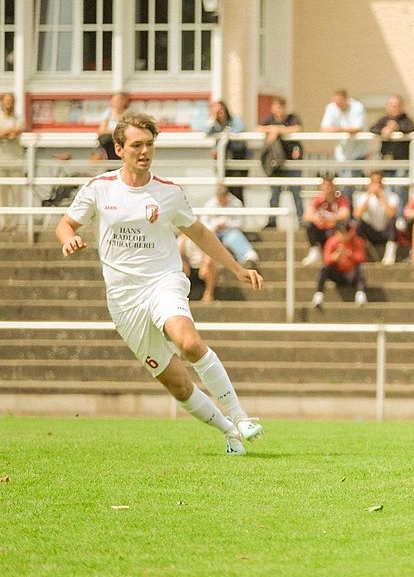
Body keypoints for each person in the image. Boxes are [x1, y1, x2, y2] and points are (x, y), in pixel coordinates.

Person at [56, 111, 264, 455]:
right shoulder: (98, 188)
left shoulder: (168, 192)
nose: (144, 151)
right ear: (119, 149)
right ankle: (229, 431)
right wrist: (69, 239)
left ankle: (241, 417)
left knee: (188, 342)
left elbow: (199, 232)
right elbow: (65, 225)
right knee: (178, 383)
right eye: (136, 145)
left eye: (150, 144)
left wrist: (236, 267)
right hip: (124, 300)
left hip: (163, 282)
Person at [258, 97, 304, 228]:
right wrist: (273, 129)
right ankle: (272, 221)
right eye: (276, 106)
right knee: (274, 192)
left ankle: (301, 220)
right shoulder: (269, 119)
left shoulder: (292, 118)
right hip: (276, 163)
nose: (278, 109)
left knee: (296, 191)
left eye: (281, 106)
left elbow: (297, 128)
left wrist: (278, 131)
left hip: (292, 162)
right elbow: (259, 128)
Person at [369, 94, 414, 210]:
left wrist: (397, 128)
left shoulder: (406, 120)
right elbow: (372, 129)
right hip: (386, 163)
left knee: (399, 189)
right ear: (387, 106)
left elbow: (412, 129)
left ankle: (399, 216)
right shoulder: (384, 120)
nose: (395, 108)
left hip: (401, 163)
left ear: (402, 106)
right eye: (392, 105)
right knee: (387, 189)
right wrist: (383, 130)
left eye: (397, 105)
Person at [321, 88, 368, 204]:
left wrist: (337, 130)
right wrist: (344, 130)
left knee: (350, 186)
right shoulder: (331, 108)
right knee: (344, 185)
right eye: (336, 102)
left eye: (340, 102)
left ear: (347, 99)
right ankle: (346, 210)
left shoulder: (357, 107)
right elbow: (324, 129)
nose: (338, 105)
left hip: (358, 153)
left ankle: (349, 211)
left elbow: (357, 128)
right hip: (342, 154)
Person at [201, 184, 260, 268]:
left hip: (230, 231)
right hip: (213, 231)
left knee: (234, 236)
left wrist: (227, 225)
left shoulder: (236, 203)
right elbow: (203, 221)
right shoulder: (210, 204)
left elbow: (240, 223)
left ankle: (249, 257)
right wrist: (214, 226)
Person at [313, 220, 367, 308]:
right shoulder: (332, 241)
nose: (343, 236)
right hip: (338, 274)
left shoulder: (357, 241)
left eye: (345, 233)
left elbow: (361, 258)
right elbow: (326, 259)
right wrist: (335, 256)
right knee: (324, 268)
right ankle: (319, 294)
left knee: (360, 267)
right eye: (341, 233)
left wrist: (349, 254)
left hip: (351, 275)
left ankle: (360, 293)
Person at [301, 174, 351, 267]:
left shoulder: (341, 200)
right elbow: (306, 216)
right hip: (321, 231)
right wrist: (316, 218)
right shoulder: (317, 200)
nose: (328, 189)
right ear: (321, 188)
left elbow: (345, 214)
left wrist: (330, 219)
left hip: (335, 231)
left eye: (330, 186)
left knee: (343, 225)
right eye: (326, 186)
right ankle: (315, 250)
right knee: (309, 224)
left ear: (334, 187)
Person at [354, 170, 400, 265]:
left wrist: (382, 197)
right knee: (359, 224)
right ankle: (360, 253)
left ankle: (390, 254)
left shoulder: (392, 196)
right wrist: (369, 195)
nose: (376, 185)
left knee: (392, 220)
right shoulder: (364, 197)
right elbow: (357, 215)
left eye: (378, 182)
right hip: (371, 232)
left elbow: (391, 214)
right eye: (374, 182)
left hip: (385, 232)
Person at [206, 101, 249, 202]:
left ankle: (239, 211)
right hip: (222, 162)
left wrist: (225, 133)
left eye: (221, 110)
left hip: (238, 160)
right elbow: (206, 132)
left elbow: (239, 130)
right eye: (217, 111)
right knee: (223, 191)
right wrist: (213, 119)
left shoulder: (235, 121)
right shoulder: (215, 125)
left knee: (237, 190)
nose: (220, 113)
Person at [0, 92, 24, 232]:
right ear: (2, 102)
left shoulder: (19, 118)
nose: (8, 103)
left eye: (11, 101)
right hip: (1, 162)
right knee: (2, 194)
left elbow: (17, 131)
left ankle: (14, 224)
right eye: (6, 101)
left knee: (16, 194)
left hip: (16, 161)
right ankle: (4, 222)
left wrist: (6, 132)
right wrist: (9, 131)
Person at [94, 92, 127, 160]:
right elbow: (102, 130)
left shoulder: (127, 114)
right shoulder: (107, 113)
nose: (118, 102)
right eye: (115, 100)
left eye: (120, 100)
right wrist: (115, 132)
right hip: (109, 139)